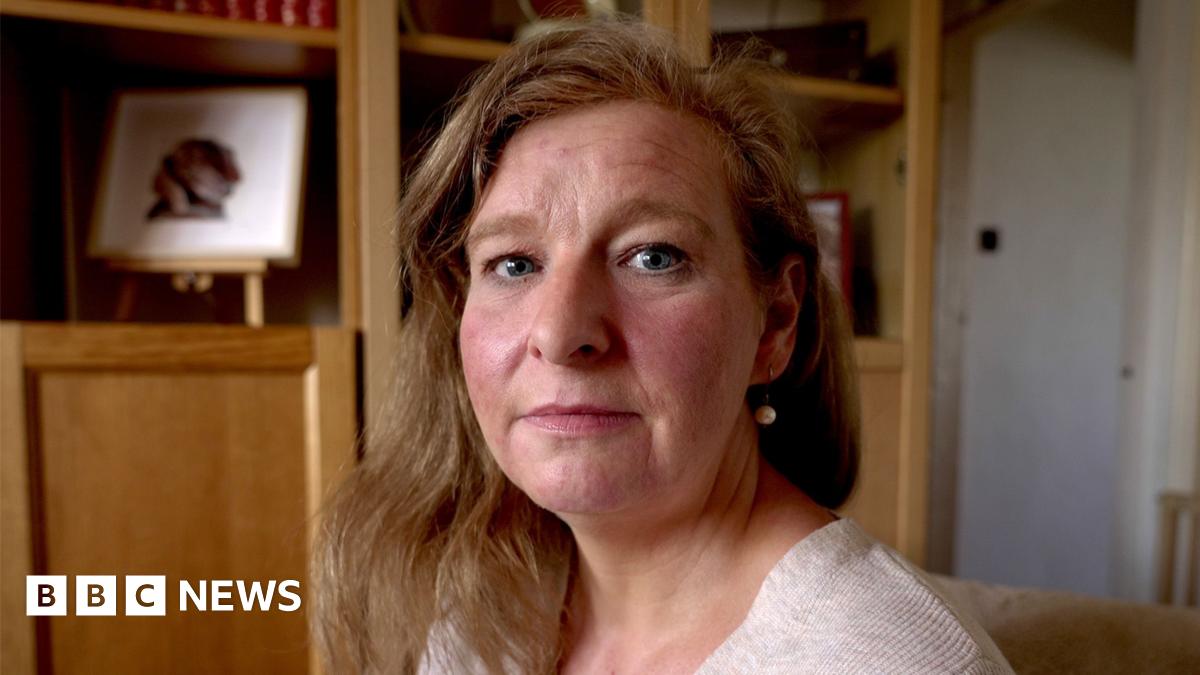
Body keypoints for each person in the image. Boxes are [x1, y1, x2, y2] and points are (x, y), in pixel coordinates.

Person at [313, 19, 1013, 675]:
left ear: (774, 322)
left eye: (652, 257)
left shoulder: (889, 661)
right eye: (515, 263)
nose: (560, 335)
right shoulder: (482, 618)